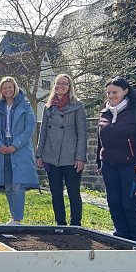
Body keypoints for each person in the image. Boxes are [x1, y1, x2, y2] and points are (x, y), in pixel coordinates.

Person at [97, 76, 136, 244]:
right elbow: (100, 139)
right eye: (108, 92)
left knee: (131, 205)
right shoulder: (105, 112)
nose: (111, 95)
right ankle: (121, 239)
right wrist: (100, 161)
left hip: (132, 166)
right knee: (114, 203)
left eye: (115, 92)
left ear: (125, 91)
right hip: (110, 166)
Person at [36, 74, 88, 226]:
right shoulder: (48, 107)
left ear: (70, 86)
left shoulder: (78, 106)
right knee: (56, 193)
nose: (61, 86)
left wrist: (80, 157)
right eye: (58, 83)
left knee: (73, 192)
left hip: (71, 157)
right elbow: (43, 132)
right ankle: (60, 223)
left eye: (64, 84)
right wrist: (40, 154)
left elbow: (82, 133)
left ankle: (76, 223)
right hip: (51, 156)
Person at [0, 77, 39, 225]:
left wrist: (15, 145)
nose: (8, 90)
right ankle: (13, 217)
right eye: (4, 88)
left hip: (20, 149)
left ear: (15, 88)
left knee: (18, 184)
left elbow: (30, 128)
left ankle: (17, 219)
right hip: (2, 149)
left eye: (10, 87)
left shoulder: (25, 105)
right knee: (8, 185)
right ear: (1, 90)